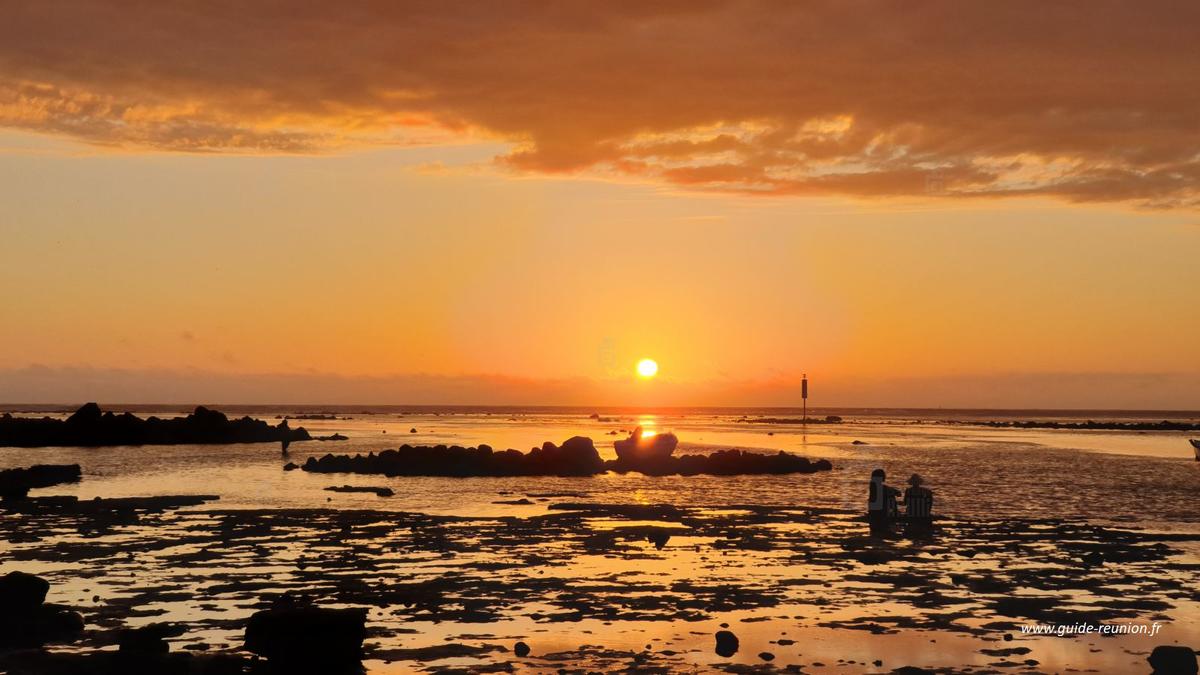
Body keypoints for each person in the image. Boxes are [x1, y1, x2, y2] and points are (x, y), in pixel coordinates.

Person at [867, 468, 899, 533]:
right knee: (891, 497)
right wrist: (894, 491)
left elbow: (885, 488)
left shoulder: (874, 485)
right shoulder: (877, 486)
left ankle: (893, 514)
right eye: (884, 476)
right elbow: (887, 489)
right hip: (879, 511)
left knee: (890, 496)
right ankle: (894, 514)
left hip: (874, 511)